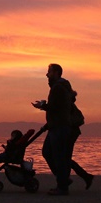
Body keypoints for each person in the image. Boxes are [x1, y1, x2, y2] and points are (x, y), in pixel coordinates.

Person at [32, 63, 77, 195]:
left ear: (56, 73)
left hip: (59, 127)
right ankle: (63, 180)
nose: (47, 74)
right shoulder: (61, 87)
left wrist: (42, 105)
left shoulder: (58, 88)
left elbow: (56, 107)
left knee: (58, 156)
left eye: (49, 72)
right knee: (49, 152)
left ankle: (62, 186)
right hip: (56, 126)